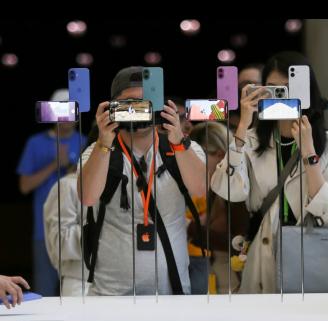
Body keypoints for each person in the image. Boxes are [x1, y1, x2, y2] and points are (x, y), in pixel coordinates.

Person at [211, 51, 328, 294]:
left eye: (289, 88)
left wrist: (309, 153)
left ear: (308, 90)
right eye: (273, 89)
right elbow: (229, 191)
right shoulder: (250, 140)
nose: (282, 97)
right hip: (263, 255)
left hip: (314, 253)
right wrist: (243, 127)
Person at [78, 66, 206, 296]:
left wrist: (177, 141)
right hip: (110, 296)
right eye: (129, 103)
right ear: (111, 108)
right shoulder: (96, 152)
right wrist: (103, 141)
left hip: (172, 293)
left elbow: (201, 189)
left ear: (160, 106)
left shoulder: (184, 148)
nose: (138, 110)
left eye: (145, 103)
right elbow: (87, 196)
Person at [17, 89, 87, 296]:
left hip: (78, 229)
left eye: (70, 111)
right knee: (45, 292)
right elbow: (24, 186)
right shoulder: (35, 143)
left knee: (80, 292)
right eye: (60, 109)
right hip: (44, 230)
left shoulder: (86, 141)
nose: (65, 117)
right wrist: (55, 164)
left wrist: (70, 166)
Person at [188, 122, 250, 293]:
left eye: (199, 156)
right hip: (219, 279)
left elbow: (239, 244)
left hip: (233, 283)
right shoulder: (215, 186)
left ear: (220, 154)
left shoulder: (234, 190)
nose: (193, 164)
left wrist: (190, 229)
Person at [43, 125, 98, 296]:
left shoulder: (130, 187)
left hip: (122, 284)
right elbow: (59, 244)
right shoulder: (68, 186)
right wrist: (106, 232)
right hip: (81, 285)